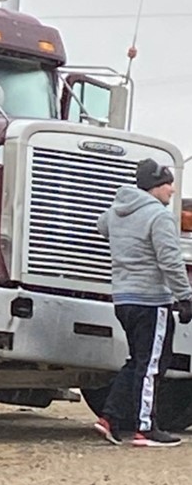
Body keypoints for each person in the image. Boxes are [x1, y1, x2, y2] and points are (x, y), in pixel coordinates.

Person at [93, 157, 192, 447]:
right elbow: (170, 262)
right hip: (151, 300)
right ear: (154, 186)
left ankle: (108, 419)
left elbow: (101, 226)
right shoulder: (158, 216)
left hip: (123, 298)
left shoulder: (114, 213)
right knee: (152, 365)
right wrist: (185, 297)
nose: (172, 190)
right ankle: (145, 429)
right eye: (167, 184)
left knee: (136, 361)